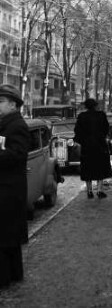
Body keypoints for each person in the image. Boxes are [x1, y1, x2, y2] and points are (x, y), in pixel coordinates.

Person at [0, 84, 30, 288]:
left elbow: (18, 155)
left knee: (4, 236)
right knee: (8, 236)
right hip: (7, 187)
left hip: (8, 189)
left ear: (12, 104)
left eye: (0, 102)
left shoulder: (16, 125)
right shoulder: (6, 124)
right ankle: (14, 274)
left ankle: (4, 277)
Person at [74, 98, 112, 199]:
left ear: (86, 106)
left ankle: (89, 192)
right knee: (100, 168)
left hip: (87, 147)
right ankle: (99, 191)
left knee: (88, 168)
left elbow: (77, 131)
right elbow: (106, 128)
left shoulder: (82, 116)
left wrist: (82, 141)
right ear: (95, 105)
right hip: (100, 146)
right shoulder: (101, 115)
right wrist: (101, 137)